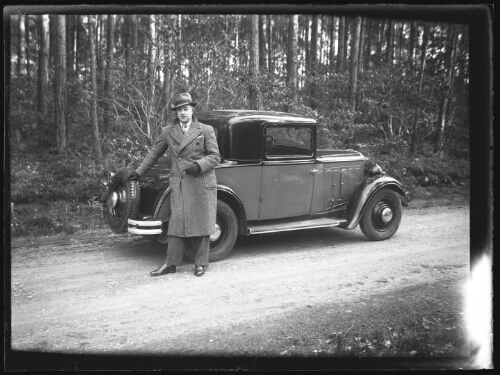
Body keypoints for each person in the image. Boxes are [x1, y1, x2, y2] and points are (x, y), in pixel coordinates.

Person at [128, 93, 221, 277]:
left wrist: (198, 166)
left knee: (202, 223)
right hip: (179, 183)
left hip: (201, 181)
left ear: (192, 109)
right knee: (176, 223)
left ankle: (200, 263)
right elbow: (154, 154)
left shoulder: (205, 130)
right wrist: (138, 172)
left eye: (186, 109)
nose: (183, 113)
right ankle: (171, 263)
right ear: (176, 112)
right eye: (179, 110)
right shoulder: (168, 131)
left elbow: (215, 157)